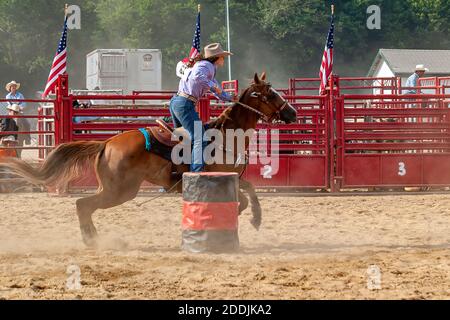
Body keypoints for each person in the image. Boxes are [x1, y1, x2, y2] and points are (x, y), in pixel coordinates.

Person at [169, 43, 237, 172]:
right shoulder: (207, 66)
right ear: (217, 57)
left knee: (182, 139)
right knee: (200, 137)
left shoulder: (203, 67)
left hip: (177, 102)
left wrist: (230, 98)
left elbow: (217, 90)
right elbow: (198, 77)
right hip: (185, 104)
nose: (224, 59)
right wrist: (213, 85)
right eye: (223, 56)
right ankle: (196, 174)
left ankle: (175, 171)